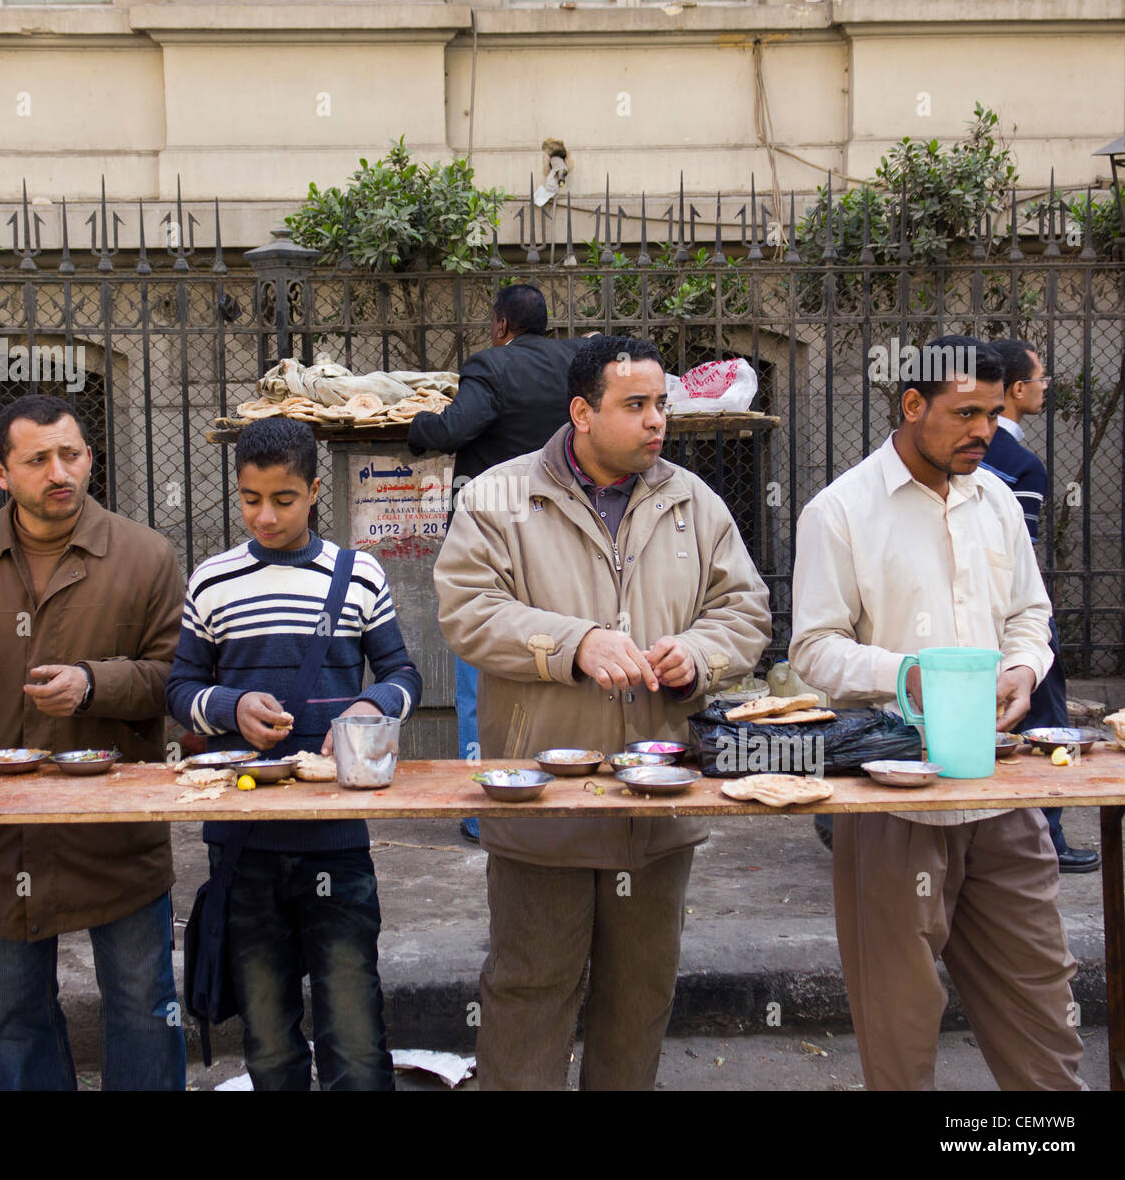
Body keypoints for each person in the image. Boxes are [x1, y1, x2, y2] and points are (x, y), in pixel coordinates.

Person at [435, 336, 770, 1090]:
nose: (658, 421)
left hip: (656, 802)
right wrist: (573, 641)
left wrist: (699, 653)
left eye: (662, 404)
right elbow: (466, 610)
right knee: (528, 989)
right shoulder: (498, 495)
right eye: (636, 405)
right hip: (543, 802)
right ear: (582, 412)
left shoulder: (693, 499)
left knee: (640, 996)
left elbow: (744, 610)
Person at [790, 334, 1085, 1091]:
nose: (983, 431)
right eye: (964, 413)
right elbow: (813, 651)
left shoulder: (996, 502)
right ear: (912, 404)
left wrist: (1024, 667)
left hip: (998, 790)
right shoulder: (841, 512)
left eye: (992, 411)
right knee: (900, 1033)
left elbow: (1029, 613)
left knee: (1042, 1014)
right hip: (893, 800)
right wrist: (906, 675)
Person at [0, 394, 187, 1092]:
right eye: (39, 459)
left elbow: (178, 677)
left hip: (113, 833)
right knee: (15, 1015)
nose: (61, 471)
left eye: (73, 454)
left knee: (145, 1008)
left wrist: (94, 684)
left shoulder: (144, 556)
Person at [166, 417, 421, 1091]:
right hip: (242, 842)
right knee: (270, 1042)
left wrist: (371, 706)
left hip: (335, 839)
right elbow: (180, 687)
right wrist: (230, 707)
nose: (266, 515)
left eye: (283, 499)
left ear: (313, 491)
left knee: (355, 1036)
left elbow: (404, 675)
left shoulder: (357, 574)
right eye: (250, 499)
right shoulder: (211, 581)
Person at [409, 282, 586, 843]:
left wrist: (417, 426)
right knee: (564, 668)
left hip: (497, 545)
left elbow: (453, 429)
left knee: (480, 678)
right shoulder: (578, 366)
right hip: (568, 544)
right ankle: (566, 797)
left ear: (500, 324)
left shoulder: (491, 365)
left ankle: (485, 813)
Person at [982, 339, 1099, 873]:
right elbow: (1021, 558)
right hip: (1017, 616)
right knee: (1045, 720)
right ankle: (1048, 837)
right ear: (1015, 390)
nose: (1046, 387)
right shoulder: (1021, 464)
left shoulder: (968, 453)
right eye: (1041, 377)